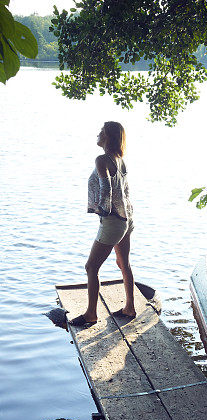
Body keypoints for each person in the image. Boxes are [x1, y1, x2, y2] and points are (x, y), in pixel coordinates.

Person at [70, 121, 135, 326]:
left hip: (113, 221)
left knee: (91, 267)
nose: (97, 134)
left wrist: (101, 210)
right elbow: (124, 191)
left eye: (101, 131)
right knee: (123, 263)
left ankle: (91, 314)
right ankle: (130, 308)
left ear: (108, 136)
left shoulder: (101, 159)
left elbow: (106, 188)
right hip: (127, 218)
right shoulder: (120, 159)